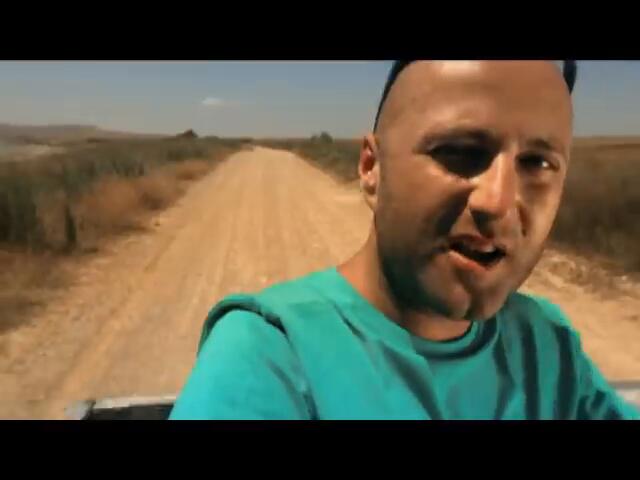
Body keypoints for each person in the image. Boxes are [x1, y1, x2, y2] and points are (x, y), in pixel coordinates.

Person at [170, 61, 639, 420]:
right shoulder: (270, 356)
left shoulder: (544, 345)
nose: (499, 202)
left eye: (537, 164)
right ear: (372, 169)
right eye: (459, 152)